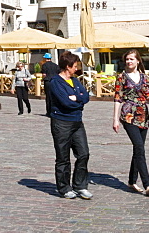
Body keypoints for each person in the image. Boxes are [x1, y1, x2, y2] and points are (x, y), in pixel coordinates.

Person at [113, 49, 149, 196]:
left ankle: (132, 181)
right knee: (139, 147)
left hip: (143, 115)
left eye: (132, 59)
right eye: (127, 59)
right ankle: (147, 183)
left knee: (138, 149)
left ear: (138, 61)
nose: (129, 62)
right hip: (128, 115)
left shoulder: (145, 77)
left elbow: (147, 92)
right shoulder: (121, 77)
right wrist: (115, 119)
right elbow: (118, 98)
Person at [48, 52, 91, 200]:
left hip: (77, 122)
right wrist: (77, 101)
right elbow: (65, 102)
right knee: (63, 157)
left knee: (84, 153)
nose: (77, 68)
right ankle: (64, 187)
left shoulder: (75, 81)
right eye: (75, 66)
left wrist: (77, 98)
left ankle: (80, 185)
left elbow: (86, 96)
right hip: (61, 123)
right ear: (68, 67)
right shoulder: (55, 82)